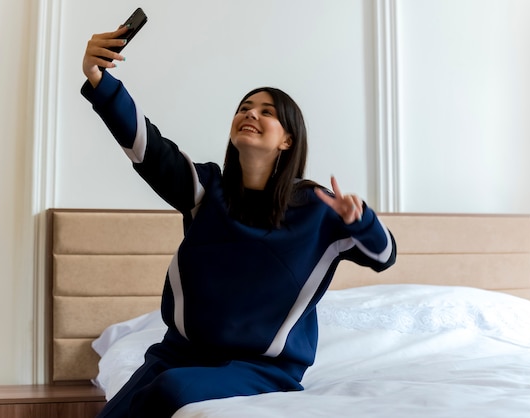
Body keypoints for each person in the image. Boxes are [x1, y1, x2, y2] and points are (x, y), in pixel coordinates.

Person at [81, 25, 397, 418]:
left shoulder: (317, 209)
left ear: (287, 140)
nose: (251, 113)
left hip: (262, 369)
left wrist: (361, 220)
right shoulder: (205, 189)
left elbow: (383, 255)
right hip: (177, 354)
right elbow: (149, 149)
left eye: (267, 112)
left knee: (170, 390)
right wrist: (99, 78)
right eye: (245, 107)